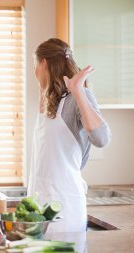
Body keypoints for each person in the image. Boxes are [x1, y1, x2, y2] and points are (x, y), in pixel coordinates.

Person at [28, 38, 111, 232]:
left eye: (35, 66)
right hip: (39, 206)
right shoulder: (51, 99)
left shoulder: (78, 96)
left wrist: (78, 91)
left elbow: (102, 139)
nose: (34, 73)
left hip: (64, 206)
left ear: (43, 63)